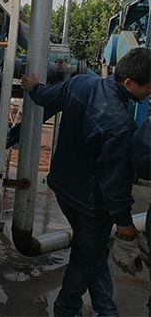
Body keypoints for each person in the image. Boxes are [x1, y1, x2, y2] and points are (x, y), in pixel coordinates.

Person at [21, 47, 151, 317]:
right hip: (92, 206)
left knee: (92, 253)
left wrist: (34, 87)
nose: (150, 93)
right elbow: (115, 183)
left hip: (63, 187)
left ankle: (106, 309)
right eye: (149, 88)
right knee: (84, 261)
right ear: (129, 83)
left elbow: (47, 96)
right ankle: (66, 309)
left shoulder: (81, 84)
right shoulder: (120, 126)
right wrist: (124, 221)